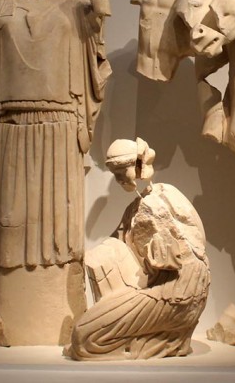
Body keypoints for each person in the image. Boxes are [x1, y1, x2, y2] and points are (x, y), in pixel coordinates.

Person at [0, 0, 112, 346]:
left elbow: (94, 58)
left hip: (61, 120)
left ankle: (58, 314)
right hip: (14, 121)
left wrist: (100, 13)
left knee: (60, 216)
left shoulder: (75, 8)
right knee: (11, 214)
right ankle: (13, 316)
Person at [66, 138, 210, 360]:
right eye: (115, 174)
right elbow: (115, 242)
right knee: (83, 333)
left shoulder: (167, 196)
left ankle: (155, 341)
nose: (119, 179)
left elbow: (197, 243)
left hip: (178, 291)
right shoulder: (133, 209)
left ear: (139, 165)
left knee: (84, 336)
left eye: (122, 171)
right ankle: (143, 340)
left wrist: (166, 255)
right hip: (150, 288)